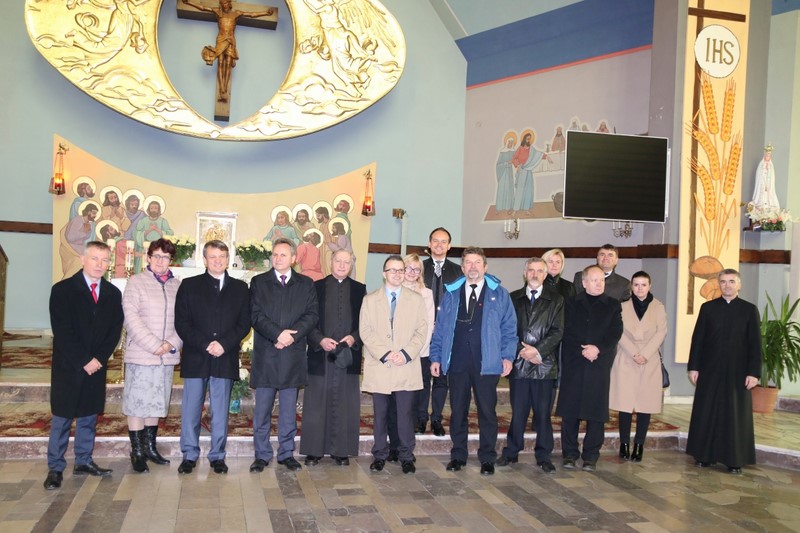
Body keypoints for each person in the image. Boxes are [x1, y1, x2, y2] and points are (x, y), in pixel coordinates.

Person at [429, 247, 516, 475]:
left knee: (487, 411)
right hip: (458, 362)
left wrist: (507, 356)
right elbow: (440, 329)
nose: (473, 266)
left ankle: (487, 457)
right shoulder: (451, 294)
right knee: (458, 411)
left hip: (487, 363)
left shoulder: (500, 294)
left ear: (485, 267)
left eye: (477, 262)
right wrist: (436, 356)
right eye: (468, 262)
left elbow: (509, 328)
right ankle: (458, 455)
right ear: (462, 267)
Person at [44, 241, 123, 490]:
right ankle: (55, 467)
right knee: (62, 417)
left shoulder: (112, 293)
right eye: (94, 259)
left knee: (89, 416)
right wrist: (84, 360)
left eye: (104, 260)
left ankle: (84, 461)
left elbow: (114, 331)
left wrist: (99, 358)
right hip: (69, 366)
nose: (99, 264)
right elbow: (63, 331)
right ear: (82, 259)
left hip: (96, 366)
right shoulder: (63, 290)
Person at [174, 240, 250, 475]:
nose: (218, 261)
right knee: (191, 409)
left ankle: (217, 455)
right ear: (205, 259)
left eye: (222, 256)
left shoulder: (240, 288)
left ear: (228, 259)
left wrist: (224, 344)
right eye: (213, 256)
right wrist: (205, 344)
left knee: (220, 410)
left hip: (224, 356)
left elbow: (244, 323)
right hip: (197, 355)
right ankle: (189, 454)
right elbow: (182, 323)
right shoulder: (189, 285)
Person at [249, 238, 319, 472]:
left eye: (283, 255)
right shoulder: (259, 282)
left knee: (288, 411)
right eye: (275, 254)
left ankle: (286, 453)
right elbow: (255, 315)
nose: (278, 258)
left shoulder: (306, 284)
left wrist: (291, 336)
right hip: (267, 354)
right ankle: (261, 454)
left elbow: (312, 315)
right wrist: (277, 334)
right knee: (262, 410)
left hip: (292, 354)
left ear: (294, 258)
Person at [686, 269, 761, 474]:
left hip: (738, 371)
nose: (727, 285)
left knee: (734, 414)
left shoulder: (749, 310)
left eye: (731, 281)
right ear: (718, 284)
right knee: (706, 410)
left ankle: (734, 459)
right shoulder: (708, 308)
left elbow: (755, 344)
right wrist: (694, 367)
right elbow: (698, 339)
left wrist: (754, 373)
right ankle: (703, 455)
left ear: (739, 285)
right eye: (723, 282)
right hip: (709, 369)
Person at [359, 255, 429, 475]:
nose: (397, 274)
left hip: (405, 365)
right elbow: (365, 331)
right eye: (392, 270)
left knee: (405, 415)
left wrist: (405, 354)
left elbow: (421, 331)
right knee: (380, 415)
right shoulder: (370, 300)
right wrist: (386, 353)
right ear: (384, 273)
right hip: (380, 365)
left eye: (401, 270)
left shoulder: (416, 299)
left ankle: (406, 455)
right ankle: (380, 454)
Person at [497, 257, 564, 473]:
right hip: (519, 364)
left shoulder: (557, 300)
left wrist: (537, 351)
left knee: (543, 414)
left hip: (544, 366)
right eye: (531, 270)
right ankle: (511, 451)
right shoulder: (513, 297)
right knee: (518, 412)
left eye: (539, 271)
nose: (535, 274)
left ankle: (544, 455)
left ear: (545, 274)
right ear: (525, 273)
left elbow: (558, 331)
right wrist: (522, 351)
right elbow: (506, 328)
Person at [121, 238, 182, 472]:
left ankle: (150, 447)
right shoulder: (136, 282)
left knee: (156, 401)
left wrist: (171, 343)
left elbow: (185, 319)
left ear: (170, 260)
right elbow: (130, 317)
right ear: (148, 258)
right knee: (137, 403)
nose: (160, 261)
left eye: (165, 257)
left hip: (166, 356)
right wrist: (154, 345)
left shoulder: (177, 286)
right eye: (156, 256)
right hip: (142, 353)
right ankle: (137, 451)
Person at [300, 249, 365, 466]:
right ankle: (313, 451)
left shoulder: (359, 290)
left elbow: (366, 322)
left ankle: (341, 451)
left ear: (351, 265)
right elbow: (307, 319)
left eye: (347, 262)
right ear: (331, 261)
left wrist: (354, 337)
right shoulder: (315, 287)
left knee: (346, 402)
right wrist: (319, 340)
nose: (342, 265)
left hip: (347, 354)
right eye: (338, 261)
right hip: (321, 354)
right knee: (316, 403)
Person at [556, 265, 623, 471]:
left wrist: (597, 349)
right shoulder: (570, 303)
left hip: (599, 363)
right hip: (574, 362)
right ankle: (569, 453)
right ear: (584, 283)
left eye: (601, 280)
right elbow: (565, 330)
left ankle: (591, 455)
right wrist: (583, 350)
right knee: (570, 411)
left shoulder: (613, 305)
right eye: (594, 280)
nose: (599, 283)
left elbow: (615, 332)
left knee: (596, 412)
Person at [608, 271, 667, 462]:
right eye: (636, 285)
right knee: (624, 404)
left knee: (645, 404)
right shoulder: (622, 306)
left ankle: (639, 444)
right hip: (626, 357)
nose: (640, 288)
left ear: (650, 286)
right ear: (631, 287)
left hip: (649, 359)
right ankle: (624, 443)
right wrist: (634, 353)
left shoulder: (658, 307)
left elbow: (661, 332)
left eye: (643, 285)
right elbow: (618, 331)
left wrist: (645, 354)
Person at [182, 0, 274, 102]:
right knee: (220, 62)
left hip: (230, 40)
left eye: (225, 3)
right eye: (222, 4)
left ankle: (225, 87)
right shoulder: (218, 12)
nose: (224, 6)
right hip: (221, 39)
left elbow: (251, 14)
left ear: (229, 3)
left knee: (228, 64)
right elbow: (203, 8)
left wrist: (266, 13)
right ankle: (221, 87)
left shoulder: (236, 13)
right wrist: (188, 3)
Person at [421, 227, 460, 436]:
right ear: (429, 244)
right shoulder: (418, 268)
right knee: (422, 377)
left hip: (446, 333)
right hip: (421, 332)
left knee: (441, 378)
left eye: (443, 241)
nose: (439, 245)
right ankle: (420, 418)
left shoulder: (458, 271)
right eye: (435, 241)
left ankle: (436, 418)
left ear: (449, 246)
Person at [402, 254, 435, 436]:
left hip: (421, 350)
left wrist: (418, 348)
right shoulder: (394, 289)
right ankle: (403, 419)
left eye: (416, 269)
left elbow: (429, 323)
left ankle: (421, 419)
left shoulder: (426, 293)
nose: (412, 272)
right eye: (409, 268)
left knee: (422, 386)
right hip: (399, 350)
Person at [751, 144, 779, 211]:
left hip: (768, 185)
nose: (767, 157)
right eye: (766, 156)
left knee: (768, 196)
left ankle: (768, 208)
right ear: (764, 156)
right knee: (762, 196)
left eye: (769, 156)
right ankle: (760, 207)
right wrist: (764, 169)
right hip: (762, 184)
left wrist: (769, 184)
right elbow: (759, 175)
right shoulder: (761, 165)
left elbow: (772, 177)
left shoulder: (771, 166)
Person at [495, 133, 517, 213]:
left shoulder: (513, 151)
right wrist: (507, 163)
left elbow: (516, 160)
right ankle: (499, 208)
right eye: (509, 143)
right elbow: (498, 165)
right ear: (507, 143)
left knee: (509, 189)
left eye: (512, 143)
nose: (510, 145)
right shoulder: (502, 152)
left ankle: (509, 207)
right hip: (503, 173)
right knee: (502, 189)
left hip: (509, 172)